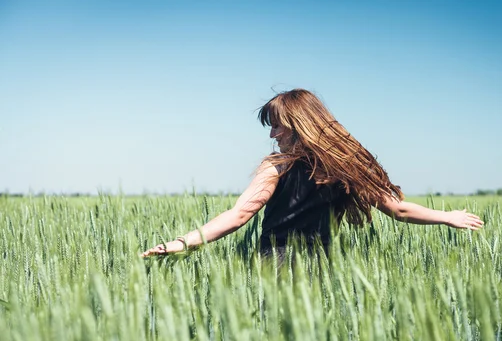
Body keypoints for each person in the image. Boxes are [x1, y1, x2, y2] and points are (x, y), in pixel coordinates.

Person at [140, 89, 484, 260]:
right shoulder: (350, 167)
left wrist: (182, 243)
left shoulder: (276, 166)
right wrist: (447, 216)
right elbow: (399, 210)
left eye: (277, 125)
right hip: (320, 268)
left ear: (299, 125)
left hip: (273, 266)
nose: (273, 135)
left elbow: (239, 214)